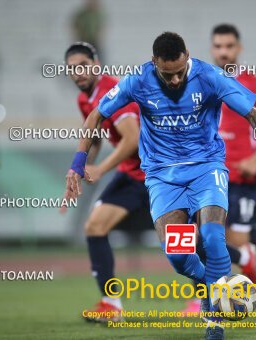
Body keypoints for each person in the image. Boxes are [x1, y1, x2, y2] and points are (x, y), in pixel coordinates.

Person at [64, 32, 256, 339]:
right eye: (168, 74)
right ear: (154, 64)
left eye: (180, 72)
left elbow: (255, 115)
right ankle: (217, 289)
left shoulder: (208, 76)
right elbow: (96, 116)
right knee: (179, 256)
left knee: (214, 237)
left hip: (207, 170)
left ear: (187, 56)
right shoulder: (138, 80)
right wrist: (77, 165)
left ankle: (214, 322)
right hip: (163, 177)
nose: (176, 80)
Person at [181, 23, 256, 314]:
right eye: (218, 46)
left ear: (239, 48)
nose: (223, 52)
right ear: (211, 49)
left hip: (246, 179)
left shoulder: (253, 85)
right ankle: (203, 298)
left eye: (229, 46)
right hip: (210, 178)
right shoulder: (199, 83)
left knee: (232, 243)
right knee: (199, 238)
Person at [63, 42, 148, 321]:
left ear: (96, 65)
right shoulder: (84, 100)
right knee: (95, 227)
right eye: (72, 68)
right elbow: (95, 137)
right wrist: (81, 168)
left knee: (183, 242)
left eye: (83, 65)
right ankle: (111, 305)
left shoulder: (112, 91)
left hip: (158, 175)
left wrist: (100, 169)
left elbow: (132, 138)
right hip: (132, 175)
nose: (78, 72)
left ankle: (213, 291)